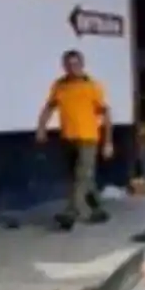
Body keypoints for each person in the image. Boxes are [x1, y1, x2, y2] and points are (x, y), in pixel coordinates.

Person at [36, 49, 113, 230]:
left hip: (88, 138)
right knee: (81, 177)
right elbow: (49, 107)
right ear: (64, 66)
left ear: (82, 65)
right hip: (68, 138)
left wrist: (108, 142)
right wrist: (41, 128)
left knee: (81, 176)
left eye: (76, 64)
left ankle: (71, 212)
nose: (73, 68)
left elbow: (106, 113)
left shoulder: (92, 86)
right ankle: (96, 208)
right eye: (69, 65)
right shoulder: (60, 86)